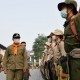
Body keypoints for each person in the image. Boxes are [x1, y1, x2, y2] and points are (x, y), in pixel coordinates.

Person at [58, 0, 80, 80]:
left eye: (63, 8)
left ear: (70, 8)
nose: (62, 11)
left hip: (77, 61)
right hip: (71, 60)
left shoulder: (77, 19)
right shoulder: (68, 23)